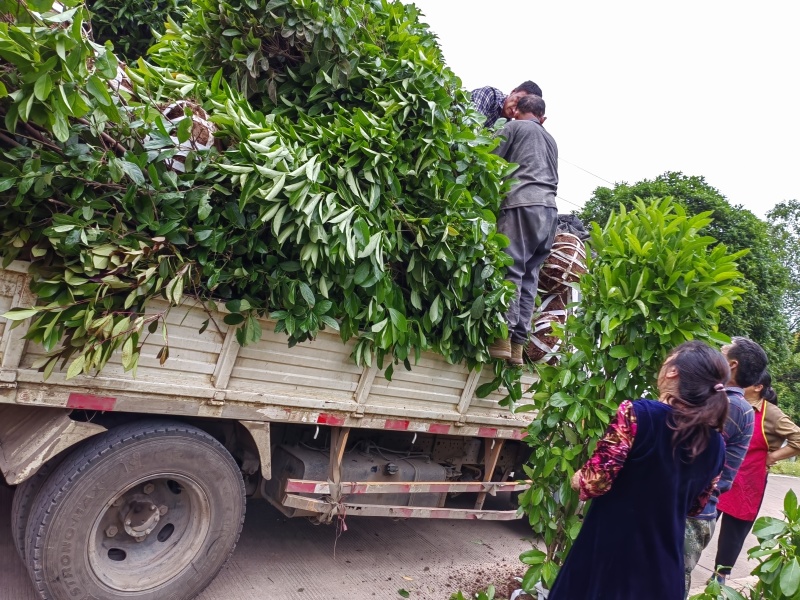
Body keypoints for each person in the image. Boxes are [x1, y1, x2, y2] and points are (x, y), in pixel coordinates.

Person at [549, 341, 728, 600]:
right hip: (663, 572)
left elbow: (592, 483)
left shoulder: (638, 415)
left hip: (610, 562)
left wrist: (577, 477)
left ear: (673, 372)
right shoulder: (717, 445)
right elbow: (695, 507)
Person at [683, 337, 765, 595]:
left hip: (691, 510)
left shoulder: (730, 406)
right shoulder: (727, 402)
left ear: (731, 364)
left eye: (722, 352)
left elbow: (687, 455)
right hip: (691, 506)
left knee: (668, 580)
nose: (715, 356)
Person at [487, 95, 558, 364]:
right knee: (529, 276)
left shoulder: (513, 128)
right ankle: (518, 345)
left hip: (522, 205)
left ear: (516, 111)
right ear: (543, 118)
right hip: (549, 213)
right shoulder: (551, 140)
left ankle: (501, 338)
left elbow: (488, 160)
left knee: (511, 269)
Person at [712, 372, 800, 582]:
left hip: (749, 480)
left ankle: (720, 578)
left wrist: (773, 456)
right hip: (721, 473)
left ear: (758, 386)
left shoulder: (771, 414)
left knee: (733, 533)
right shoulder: (732, 401)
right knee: (700, 520)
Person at [470, 80, 543, 128]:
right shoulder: (491, 94)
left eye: (522, 108)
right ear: (513, 91)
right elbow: (472, 122)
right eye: (517, 101)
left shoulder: (508, 126)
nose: (515, 110)